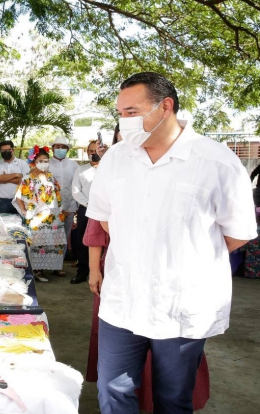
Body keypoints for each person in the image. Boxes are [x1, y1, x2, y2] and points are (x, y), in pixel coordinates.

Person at [87, 72, 257, 414]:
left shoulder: (216, 162)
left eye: (132, 112)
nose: (124, 121)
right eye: (121, 113)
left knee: (173, 399)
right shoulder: (116, 159)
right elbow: (106, 217)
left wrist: (182, 254)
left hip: (182, 305)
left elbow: (237, 232)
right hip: (123, 301)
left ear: (165, 107)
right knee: (112, 392)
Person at [14, 145, 66, 282]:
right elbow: (19, 196)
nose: (44, 164)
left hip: (52, 215)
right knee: (37, 243)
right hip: (36, 216)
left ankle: (54, 267)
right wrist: (24, 211)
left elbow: (57, 193)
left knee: (54, 242)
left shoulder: (50, 176)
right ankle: (37, 270)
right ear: (34, 162)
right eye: (41, 161)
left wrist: (60, 209)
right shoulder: (28, 178)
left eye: (46, 161)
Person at [70, 140, 99, 284]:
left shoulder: (109, 168)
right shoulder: (81, 170)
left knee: (103, 241)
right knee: (83, 241)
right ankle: (82, 272)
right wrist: (89, 204)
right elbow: (76, 191)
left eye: (96, 151)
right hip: (85, 210)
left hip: (105, 211)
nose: (94, 154)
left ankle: (102, 272)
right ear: (87, 153)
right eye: (91, 151)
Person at [49, 136, 79, 276]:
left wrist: (76, 206)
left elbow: (78, 186)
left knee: (64, 237)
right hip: (51, 208)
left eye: (63, 147)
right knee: (51, 235)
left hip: (69, 205)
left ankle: (59, 265)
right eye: (57, 146)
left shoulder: (74, 166)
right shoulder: (46, 164)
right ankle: (47, 265)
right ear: (52, 148)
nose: (60, 149)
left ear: (67, 149)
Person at [0, 140, 30, 215]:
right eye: (3, 150)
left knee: (20, 224)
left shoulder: (22, 163)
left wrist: (4, 178)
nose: (5, 152)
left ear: (13, 150)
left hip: (20, 200)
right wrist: (16, 175)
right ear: (0, 151)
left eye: (8, 150)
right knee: (1, 224)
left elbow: (25, 181)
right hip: (2, 202)